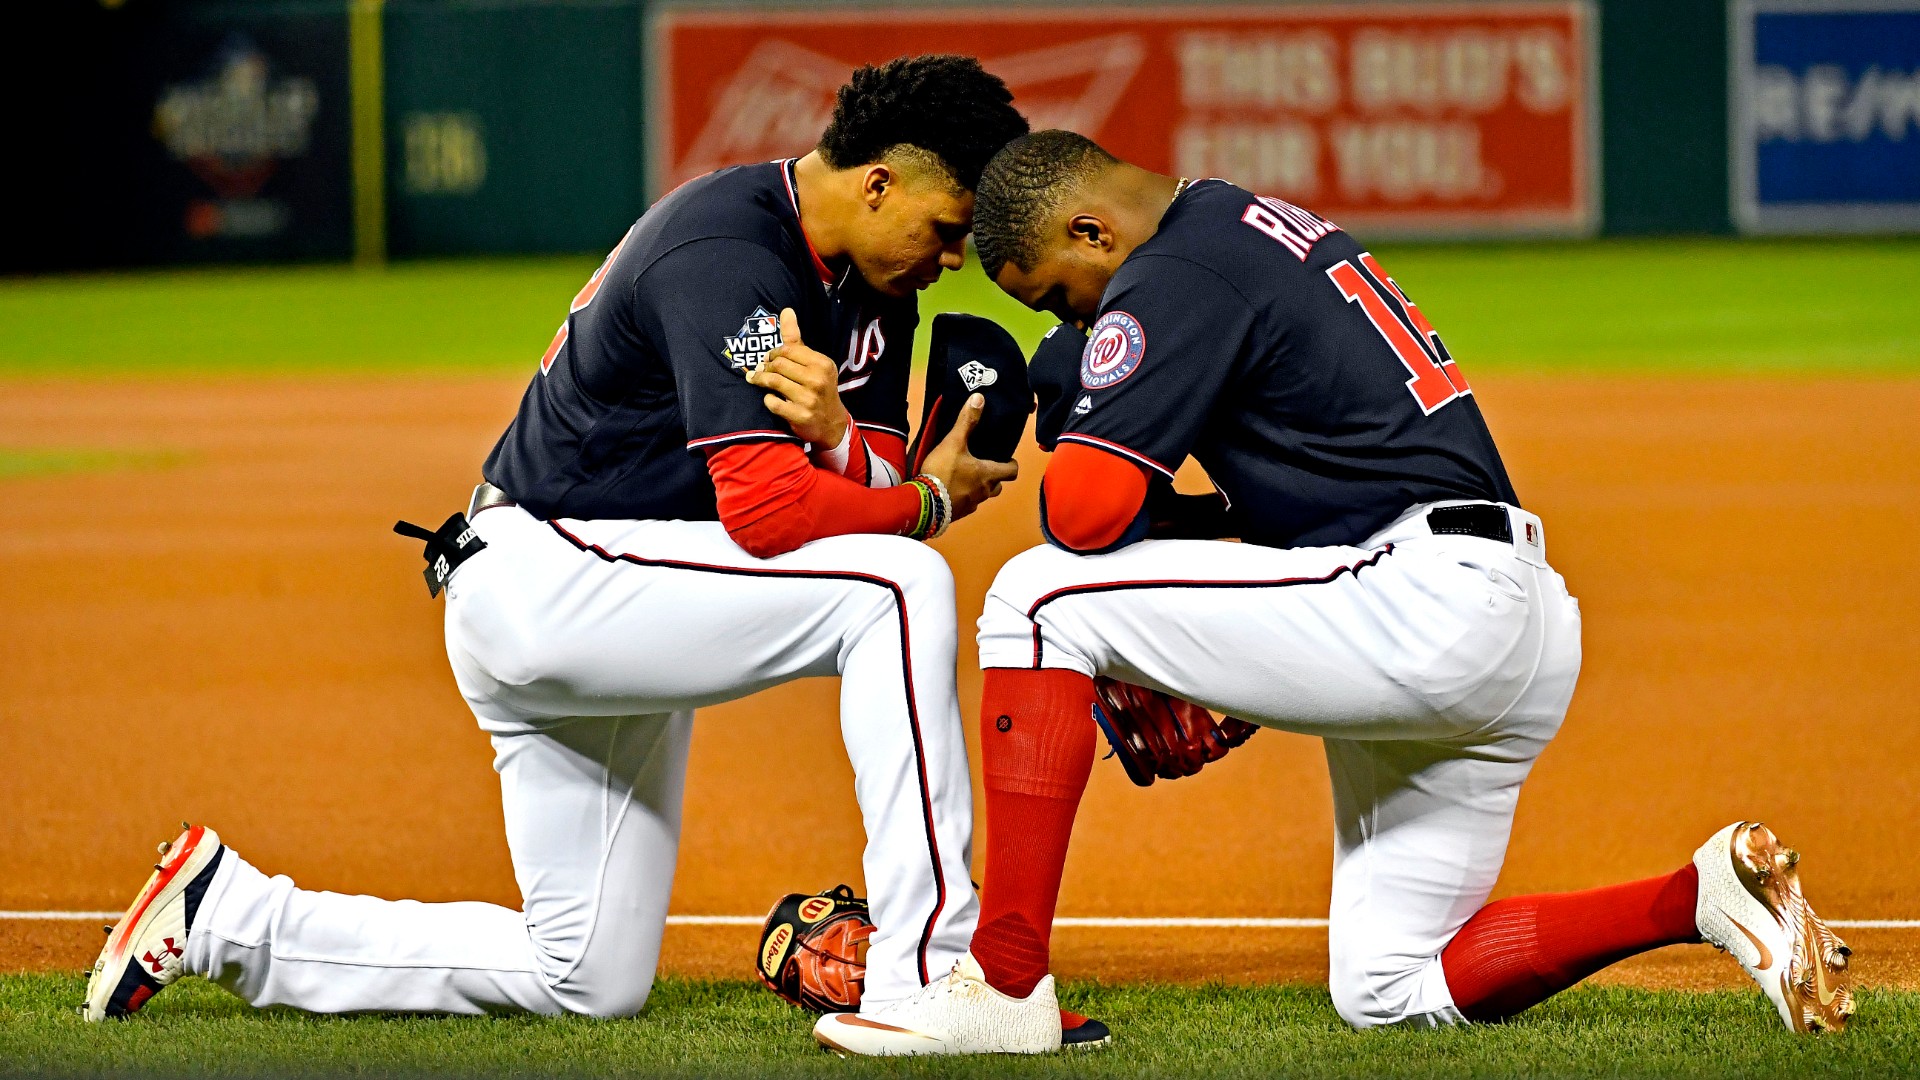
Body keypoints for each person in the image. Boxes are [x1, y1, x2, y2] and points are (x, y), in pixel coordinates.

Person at [817, 129, 1854, 1055]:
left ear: (1091, 230)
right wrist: (1194, 642)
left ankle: (1003, 982)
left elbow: (1082, 516)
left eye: (1055, 291)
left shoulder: (1175, 268)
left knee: (1036, 598)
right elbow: (1273, 518)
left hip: (1427, 599)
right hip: (1497, 616)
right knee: (1389, 989)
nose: (1071, 310)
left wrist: (1083, 376)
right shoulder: (1240, 229)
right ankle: (1702, 895)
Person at [84, 55, 1031, 1032]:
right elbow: (769, 512)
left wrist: (843, 443)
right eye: (948, 227)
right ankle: (928, 979)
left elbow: (859, 467)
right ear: (880, 183)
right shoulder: (725, 255)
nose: (951, 258)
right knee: (900, 584)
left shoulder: (878, 287)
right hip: (549, 574)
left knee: (584, 974)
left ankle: (229, 918)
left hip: (615, 593)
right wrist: (924, 508)